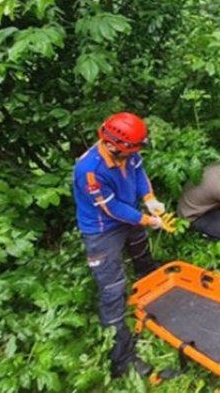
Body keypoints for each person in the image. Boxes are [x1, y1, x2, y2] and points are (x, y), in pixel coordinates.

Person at [73, 112, 171, 378]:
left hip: (128, 213)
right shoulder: (89, 170)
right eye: (132, 150)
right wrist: (146, 220)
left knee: (141, 250)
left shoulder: (128, 151)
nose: (135, 154)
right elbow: (110, 208)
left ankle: (150, 284)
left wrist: (149, 199)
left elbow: (139, 174)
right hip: (102, 229)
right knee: (112, 289)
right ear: (114, 144)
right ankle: (122, 360)